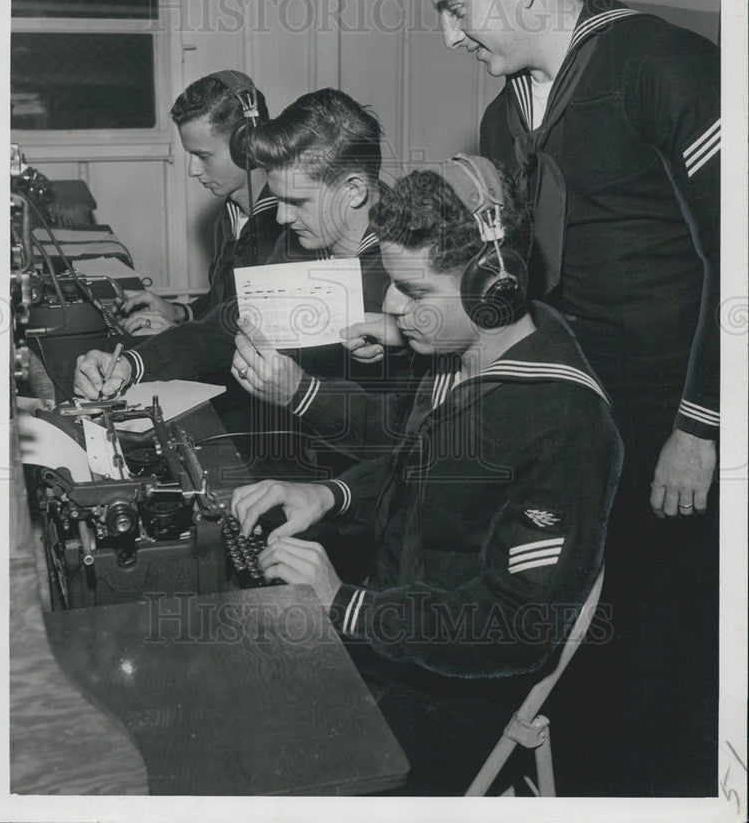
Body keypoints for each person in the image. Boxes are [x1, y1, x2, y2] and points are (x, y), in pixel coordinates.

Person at [408, 0, 719, 795]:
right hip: (589, 425)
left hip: (675, 423)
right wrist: (430, 325)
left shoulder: (665, 65)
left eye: (458, 9)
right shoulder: (509, 114)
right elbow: (527, 282)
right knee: (586, 629)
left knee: (668, 647)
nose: (452, 36)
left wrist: (701, 428)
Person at [229, 157, 622, 796]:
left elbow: (515, 628)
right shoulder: (465, 353)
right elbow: (422, 463)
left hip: (455, 694)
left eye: (414, 292)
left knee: (253, 756)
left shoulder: (563, 424)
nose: (390, 306)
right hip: (395, 633)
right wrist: (328, 493)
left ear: (491, 289)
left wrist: (344, 605)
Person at [73, 89, 408, 482]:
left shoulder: (413, 278)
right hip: (291, 457)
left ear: (353, 190)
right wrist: (130, 363)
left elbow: (409, 437)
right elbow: (226, 326)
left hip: (359, 490)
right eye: (278, 199)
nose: (280, 217)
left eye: (296, 201)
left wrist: (302, 393)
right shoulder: (301, 245)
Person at [118, 70, 282, 335]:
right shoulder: (230, 215)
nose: (192, 170)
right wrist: (181, 312)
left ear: (247, 145)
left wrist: (178, 336)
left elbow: (267, 344)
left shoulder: (286, 226)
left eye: (202, 156)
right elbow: (225, 303)